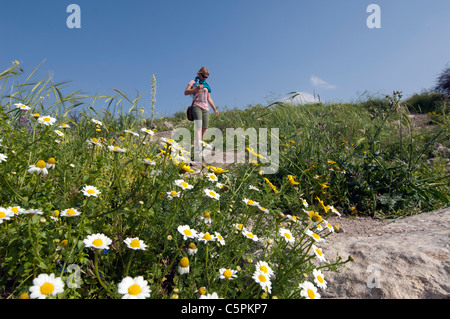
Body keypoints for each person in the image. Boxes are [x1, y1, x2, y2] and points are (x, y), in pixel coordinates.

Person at [184, 66, 219, 154]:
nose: (204, 78)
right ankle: (198, 148)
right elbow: (186, 92)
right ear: (199, 74)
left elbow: (209, 98)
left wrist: (215, 109)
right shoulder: (193, 82)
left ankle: (199, 143)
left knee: (205, 128)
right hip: (196, 106)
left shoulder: (207, 86)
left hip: (205, 108)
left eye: (206, 77)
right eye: (203, 76)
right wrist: (196, 88)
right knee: (198, 127)